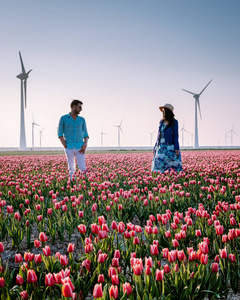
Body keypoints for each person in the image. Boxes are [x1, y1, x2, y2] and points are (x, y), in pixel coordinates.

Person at [58, 99, 89, 180]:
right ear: (73, 106)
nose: (81, 109)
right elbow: (60, 133)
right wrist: (65, 145)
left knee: (82, 167)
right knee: (71, 168)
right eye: (79, 107)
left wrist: (85, 144)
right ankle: (72, 184)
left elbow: (86, 134)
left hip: (80, 147)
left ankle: (83, 183)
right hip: (69, 146)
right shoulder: (63, 118)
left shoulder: (82, 119)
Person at [151, 103, 182, 173]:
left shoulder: (174, 122)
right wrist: (155, 146)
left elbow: (175, 135)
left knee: (171, 164)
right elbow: (158, 135)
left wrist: (176, 148)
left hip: (169, 147)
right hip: (161, 147)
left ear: (168, 112)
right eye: (163, 111)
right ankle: (160, 178)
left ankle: (171, 179)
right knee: (159, 163)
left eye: (165, 111)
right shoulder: (161, 122)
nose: (163, 112)